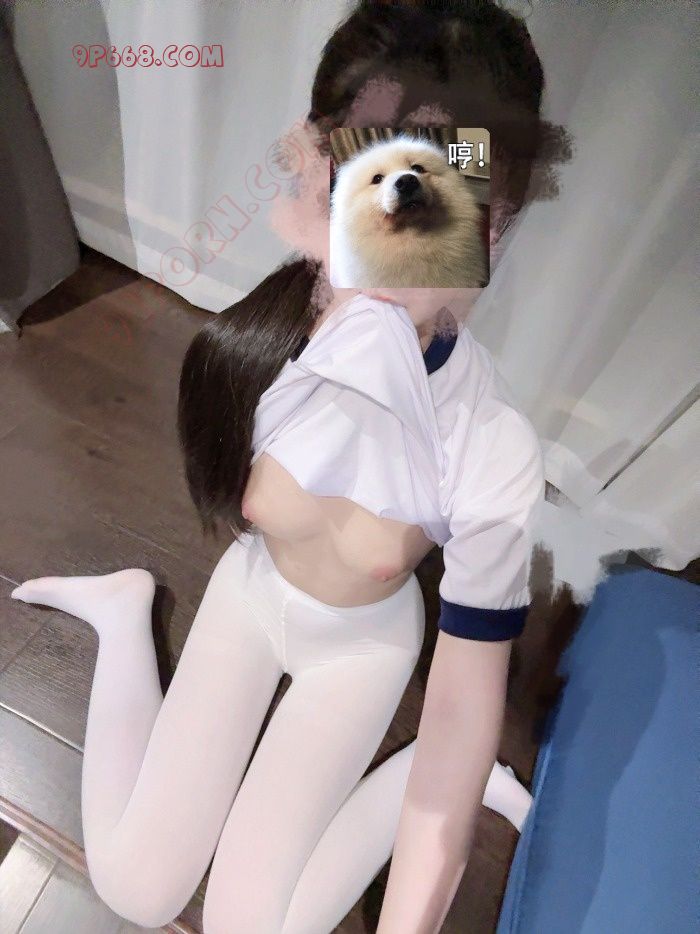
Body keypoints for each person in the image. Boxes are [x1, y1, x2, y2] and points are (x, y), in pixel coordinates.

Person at [11, 1, 558, 930]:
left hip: (361, 652)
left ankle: (419, 784)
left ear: (495, 224)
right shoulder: (271, 345)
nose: (401, 242)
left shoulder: (491, 445)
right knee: (135, 887)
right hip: (254, 597)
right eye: (376, 184)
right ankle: (122, 612)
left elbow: (464, 706)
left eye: (446, 202)